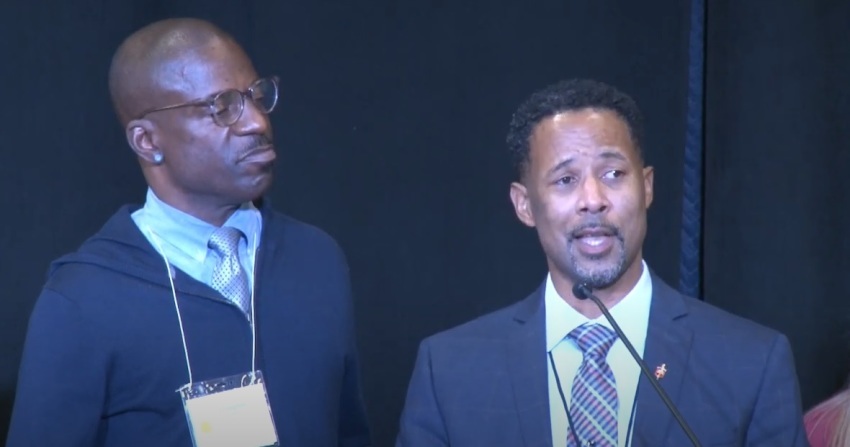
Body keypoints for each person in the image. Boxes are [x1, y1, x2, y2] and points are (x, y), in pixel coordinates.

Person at [7, 18, 371, 447]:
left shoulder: (316, 259)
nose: (256, 122)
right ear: (146, 141)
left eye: (256, 96)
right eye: (222, 106)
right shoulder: (83, 300)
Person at [395, 78, 808, 446]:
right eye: (565, 180)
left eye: (613, 174)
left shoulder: (751, 363)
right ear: (524, 206)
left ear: (646, 187)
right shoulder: (449, 372)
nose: (593, 199)